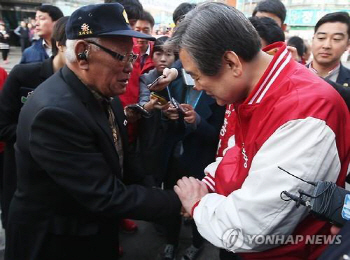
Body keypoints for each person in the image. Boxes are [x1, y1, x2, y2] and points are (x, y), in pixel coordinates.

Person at [166, 3, 349, 260]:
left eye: (196, 77)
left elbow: (249, 229)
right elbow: (236, 155)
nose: (196, 86)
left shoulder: (306, 113)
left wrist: (198, 204)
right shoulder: (253, 90)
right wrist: (210, 184)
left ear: (231, 63)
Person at [4, 4, 181, 260]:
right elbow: (105, 195)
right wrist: (179, 202)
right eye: (121, 56)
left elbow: (124, 160)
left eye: (133, 56)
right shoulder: (56, 113)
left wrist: (154, 190)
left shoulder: (104, 93)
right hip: (57, 242)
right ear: (82, 54)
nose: (130, 67)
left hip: (93, 230)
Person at [0, 16, 69, 230]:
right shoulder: (23, 75)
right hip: (21, 176)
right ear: (61, 44)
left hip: (63, 184)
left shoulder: (89, 87)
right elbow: (3, 126)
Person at [308, 12, 350, 87]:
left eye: (336, 39)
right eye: (321, 38)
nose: (326, 45)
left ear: (348, 45)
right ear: (313, 39)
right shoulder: (291, 75)